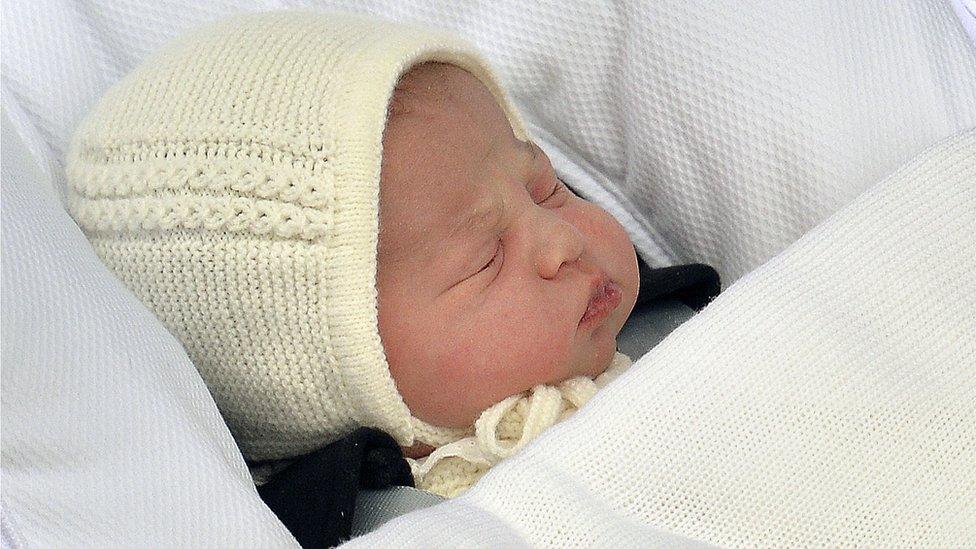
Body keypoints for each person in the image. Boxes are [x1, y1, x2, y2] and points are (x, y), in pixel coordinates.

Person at [65, 10, 717, 545]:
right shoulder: (398, 524)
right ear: (348, 378)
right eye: (486, 258)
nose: (564, 240)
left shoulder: (683, 326)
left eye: (545, 189)